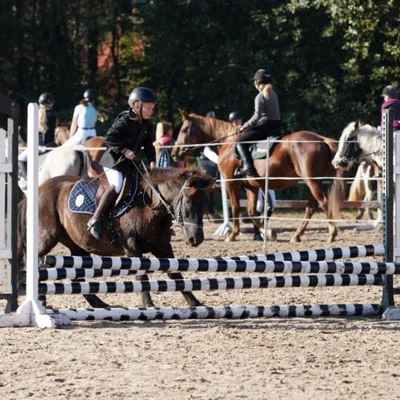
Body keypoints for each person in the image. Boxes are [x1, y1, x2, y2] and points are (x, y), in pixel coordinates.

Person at [87, 87, 157, 239]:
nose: (151, 111)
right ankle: (95, 219)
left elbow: (149, 146)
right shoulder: (125, 120)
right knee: (117, 184)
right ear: (136, 105)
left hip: (130, 164)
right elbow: (109, 138)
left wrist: (152, 162)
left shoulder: (146, 124)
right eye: (148, 108)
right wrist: (125, 151)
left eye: (152, 108)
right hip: (114, 161)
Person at [235, 69, 281, 176]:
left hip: (266, 126)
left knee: (240, 142)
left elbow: (257, 116)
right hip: (276, 125)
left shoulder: (260, 97)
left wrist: (243, 127)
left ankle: (248, 167)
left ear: (257, 82)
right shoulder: (274, 94)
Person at [18, 92, 56, 180]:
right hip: (51, 144)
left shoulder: (37, 114)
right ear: (49, 103)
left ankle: (28, 179)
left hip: (40, 147)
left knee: (20, 158)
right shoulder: (52, 114)